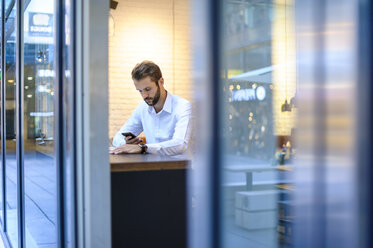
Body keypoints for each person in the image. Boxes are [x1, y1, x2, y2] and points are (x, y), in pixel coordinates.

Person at [111, 61, 192, 155]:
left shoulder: (183, 107)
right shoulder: (142, 108)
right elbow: (117, 137)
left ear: (161, 82)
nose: (144, 95)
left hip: (181, 168)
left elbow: (180, 144)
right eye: (140, 91)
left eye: (148, 89)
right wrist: (126, 144)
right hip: (152, 167)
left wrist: (143, 148)